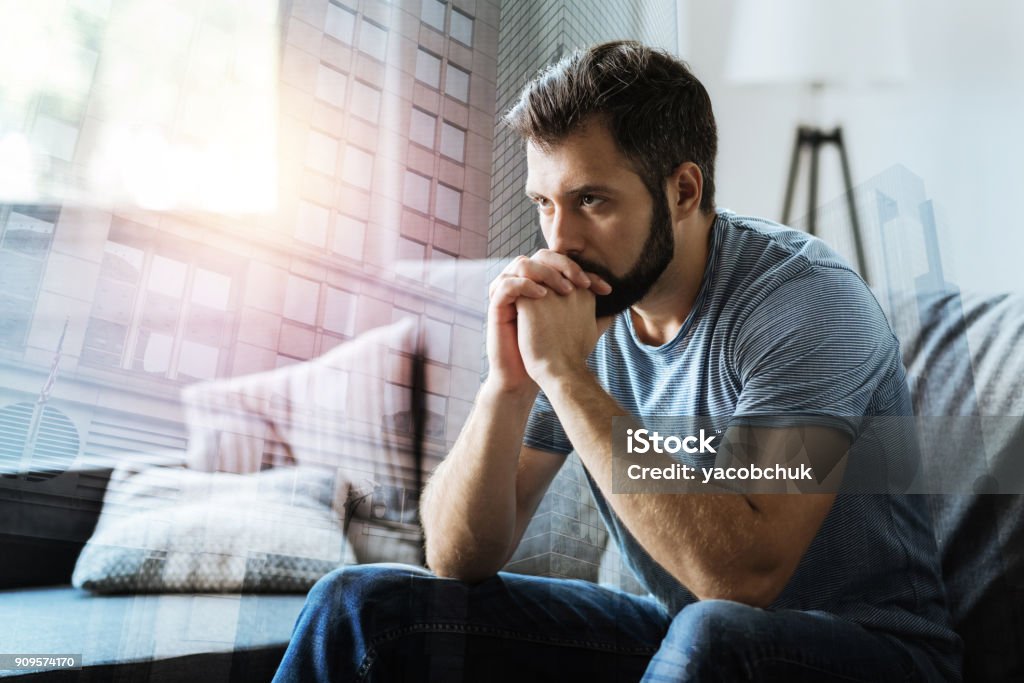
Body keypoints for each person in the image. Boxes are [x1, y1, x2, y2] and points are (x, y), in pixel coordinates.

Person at [273, 41, 961, 682]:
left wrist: (568, 377)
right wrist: (510, 385)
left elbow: (741, 578)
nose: (560, 238)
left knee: (713, 630)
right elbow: (457, 557)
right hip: (679, 635)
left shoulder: (803, 302)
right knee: (362, 605)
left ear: (684, 192)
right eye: (545, 203)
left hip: (874, 651)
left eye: (591, 200)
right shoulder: (582, 308)